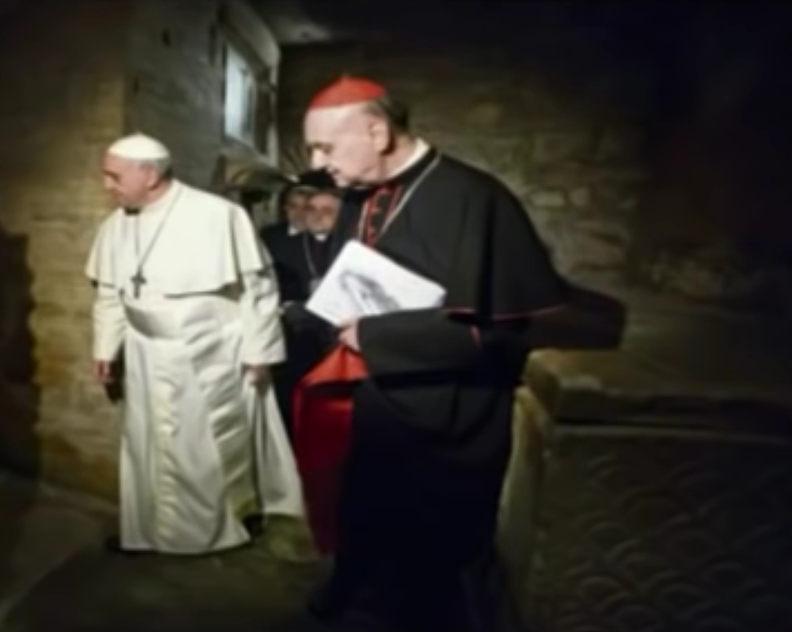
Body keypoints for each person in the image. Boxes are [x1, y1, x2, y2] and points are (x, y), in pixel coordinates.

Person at [293, 76, 569, 630]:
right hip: (374, 397)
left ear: (377, 133)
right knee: (362, 504)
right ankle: (350, 580)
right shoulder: (358, 197)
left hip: (448, 412)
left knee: (427, 552)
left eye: (325, 147)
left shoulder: (475, 199)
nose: (318, 164)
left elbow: (501, 335)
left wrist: (375, 337)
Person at [85, 133, 304, 555]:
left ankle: (217, 531)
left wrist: (260, 352)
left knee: (203, 450)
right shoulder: (114, 226)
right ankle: (148, 532)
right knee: (148, 448)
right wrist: (105, 347)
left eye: (114, 176)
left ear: (149, 175)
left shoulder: (219, 216)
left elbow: (258, 289)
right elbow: (110, 294)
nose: (107, 185)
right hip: (145, 355)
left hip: (208, 353)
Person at [267, 187, 343, 436]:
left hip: (340, 331)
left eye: (327, 211)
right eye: (312, 209)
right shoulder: (284, 246)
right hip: (299, 333)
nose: (317, 215)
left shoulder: (351, 245)